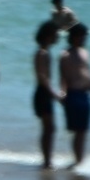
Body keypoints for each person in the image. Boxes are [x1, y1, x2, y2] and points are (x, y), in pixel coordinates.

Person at [59, 23, 90, 169]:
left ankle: (79, 160)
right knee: (77, 130)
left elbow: (89, 75)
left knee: (84, 130)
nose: (84, 39)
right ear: (75, 36)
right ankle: (78, 161)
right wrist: (63, 93)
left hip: (85, 94)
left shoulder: (85, 53)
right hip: (73, 93)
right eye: (82, 36)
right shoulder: (65, 55)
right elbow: (63, 77)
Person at [32, 21, 61, 169]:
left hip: (44, 92)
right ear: (49, 36)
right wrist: (54, 94)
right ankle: (46, 161)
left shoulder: (45, 52)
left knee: (49, 128)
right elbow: (42, 77)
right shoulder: (42, 53)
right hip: (43, 93)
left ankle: (47, 159)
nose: (58, 37)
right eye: (56, 34)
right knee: (49, 128)